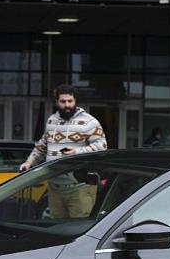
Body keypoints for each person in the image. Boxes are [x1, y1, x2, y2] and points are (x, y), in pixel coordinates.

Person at [19, 84, 108, 219]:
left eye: (70, 101)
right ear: (57, 102)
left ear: (75, 101)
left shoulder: (89, 122)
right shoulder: (51, 121)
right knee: (58, 227)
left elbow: (102, 145)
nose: (67, 105)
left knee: (78, 229)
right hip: (55, 188)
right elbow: (42, 145)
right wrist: (29, 162)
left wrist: (77, 151)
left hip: (80, 188)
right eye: (63, 101)